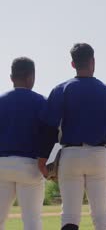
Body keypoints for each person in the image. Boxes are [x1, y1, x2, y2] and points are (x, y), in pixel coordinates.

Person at [39, 43, 106, 230]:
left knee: (69, 215)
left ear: (72, 64)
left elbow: (50, 129)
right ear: (93, 61)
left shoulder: (61, 89)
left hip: (71, 155)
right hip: (98, 154)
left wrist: (43, 158)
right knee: (102, 217)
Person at [0, 57, 46, 230]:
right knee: (32, 221)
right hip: (30, 165)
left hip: (2, 165)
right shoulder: (42, 101)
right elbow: (50, 134)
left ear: (11, 77)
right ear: (31, 77)